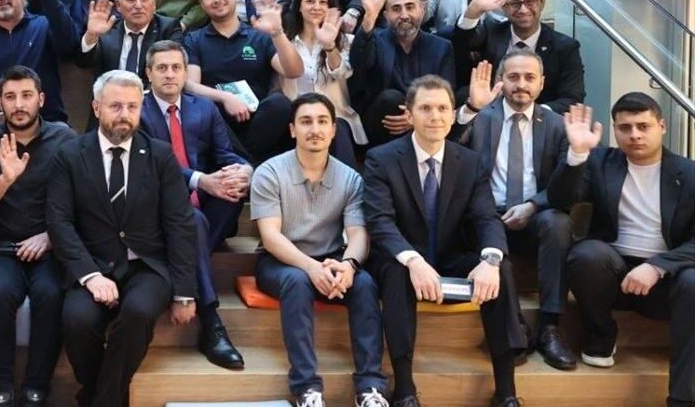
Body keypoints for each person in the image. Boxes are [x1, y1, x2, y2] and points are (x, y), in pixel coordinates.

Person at [363, 75, 527, 407]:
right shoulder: (381, 159)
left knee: (501, 268)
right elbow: (379, 221)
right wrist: (413, 260)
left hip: (449, 256)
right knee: (397, 272)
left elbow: (486, 217)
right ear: (409, 115)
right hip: (401, 259)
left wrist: (491, 259)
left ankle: (506, 392)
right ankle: (405, 389)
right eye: (425, 108)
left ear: (453, 115)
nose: (435, 116)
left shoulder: (469, 162)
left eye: (442, 109)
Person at [47, 70, 198, 407]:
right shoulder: (69, 155)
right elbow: (59, 223)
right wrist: (90, 276)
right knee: (76, 320)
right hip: (93, 264)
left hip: (146, 265)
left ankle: (99, 401)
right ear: (96, 108)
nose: (124, 115)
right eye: (115, 106)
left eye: (132, 106)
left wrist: (185, 292)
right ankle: (102, 395)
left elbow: (180, 224)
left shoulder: (160, 156)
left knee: (138, 314)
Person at [550, 95, 695, 406]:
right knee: (586, 255)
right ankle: (601, 335)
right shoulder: (602, 162)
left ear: (662, 126)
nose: (635, 135)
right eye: (625, 128)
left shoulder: (690, 174)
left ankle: (682, 398)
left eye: (643, 126)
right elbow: (560, 200)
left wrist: (658, 266)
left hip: (668, 281)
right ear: (614, 130)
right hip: (612, 275)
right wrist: (577, 153)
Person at [253, 93, 388, 407]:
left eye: (322, 121)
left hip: (331, 259)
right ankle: (307, 389)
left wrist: (349, 266)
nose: (314, 129)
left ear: (333, 130)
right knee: (297, 281)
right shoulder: (269, 172)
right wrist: (311, 267)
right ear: (292, 130)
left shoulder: (351, 178)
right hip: (280, 262)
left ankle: (370, 387)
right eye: (305, 121)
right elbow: (270, 237)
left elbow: (358, 234)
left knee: (365, 284)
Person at [453, 52, 577, 370]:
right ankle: (515, 325)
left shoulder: (557, 125)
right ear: (501, 81)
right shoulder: (482, 116)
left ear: (542, 83)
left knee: (558, 222)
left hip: (536, 215)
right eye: (513, 77)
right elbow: (448, 149)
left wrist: (534, 205)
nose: (521, 84)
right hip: (487, 215)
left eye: (529, 77)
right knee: (482, 227)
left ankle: (550, 326)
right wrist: (470, 109)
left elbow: (567, 192)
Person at [139, 41, 248, 369]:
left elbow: (225, 154)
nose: (169, 74)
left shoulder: (203, 108)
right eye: (161, 68)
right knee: (194, 221)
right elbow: (151, 166)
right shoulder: (137, 109)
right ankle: (211, 322)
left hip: (199, 205)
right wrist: (201, 180)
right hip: (155, 206)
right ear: (148, 73)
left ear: (186, 73)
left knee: (231, 193)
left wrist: (244, 171)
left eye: (176, 67)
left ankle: (179, 259)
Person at [0, 67, 78, 407]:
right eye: (10, 97)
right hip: (0, 246)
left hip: (50, 246)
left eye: (26, 96)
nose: (19, 105)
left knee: (51, 294)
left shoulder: (65, 139)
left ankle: (37, 388)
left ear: (41, 99)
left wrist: (50, 237)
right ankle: (0, 387)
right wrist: (5, 178)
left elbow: (81, 201)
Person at [183, 0, 303, 163]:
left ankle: (238, 162)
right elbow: (190, 86)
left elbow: (294, 71)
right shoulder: (194, 39)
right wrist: (226, 98)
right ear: (202, 4)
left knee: (280, 104)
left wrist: (277, 32)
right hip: (218, 121)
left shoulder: (259, 36)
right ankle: (247, 164)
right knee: (203, 110)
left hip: (258, 121)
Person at [453, 0, 586, 114]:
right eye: (515, 3)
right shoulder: (491, 32)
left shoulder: (565, 47)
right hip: (490, 117)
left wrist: (532, 113)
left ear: (542, 2)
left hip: (541, 123)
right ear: (504, 6)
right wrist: (473, 9)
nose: (523, 10)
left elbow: (572, 98)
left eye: (530, 1)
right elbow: (461, 42)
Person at [348, 0, 455, 146]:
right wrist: (369, 17)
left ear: (422, 10)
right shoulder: (375, 40)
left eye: (410, 7)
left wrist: (415, 118)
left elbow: (446, 94)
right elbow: (359, 63)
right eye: (396, 9)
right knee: (390, 99)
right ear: (386, 15)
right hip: (382, 122)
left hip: (425, 118)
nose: (404, 15)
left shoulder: (441, 47)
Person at [282, 0, 365, 163]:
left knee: (337, 129)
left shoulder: (346, 41)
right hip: (296, 120)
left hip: (335, 117)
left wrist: (329, 46)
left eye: (323, 2)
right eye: (310, 1)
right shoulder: (285, 43)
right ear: (299, 6)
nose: (317, 7)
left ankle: (348, 181)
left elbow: (342, 73)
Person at [76, 0, 182, 79]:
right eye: (131, 0)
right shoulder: (107, 28)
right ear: (118, 5)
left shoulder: (168, 29)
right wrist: (92, 36)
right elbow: (84, 63)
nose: (138, 5)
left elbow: (173, 71)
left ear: (154, 3)